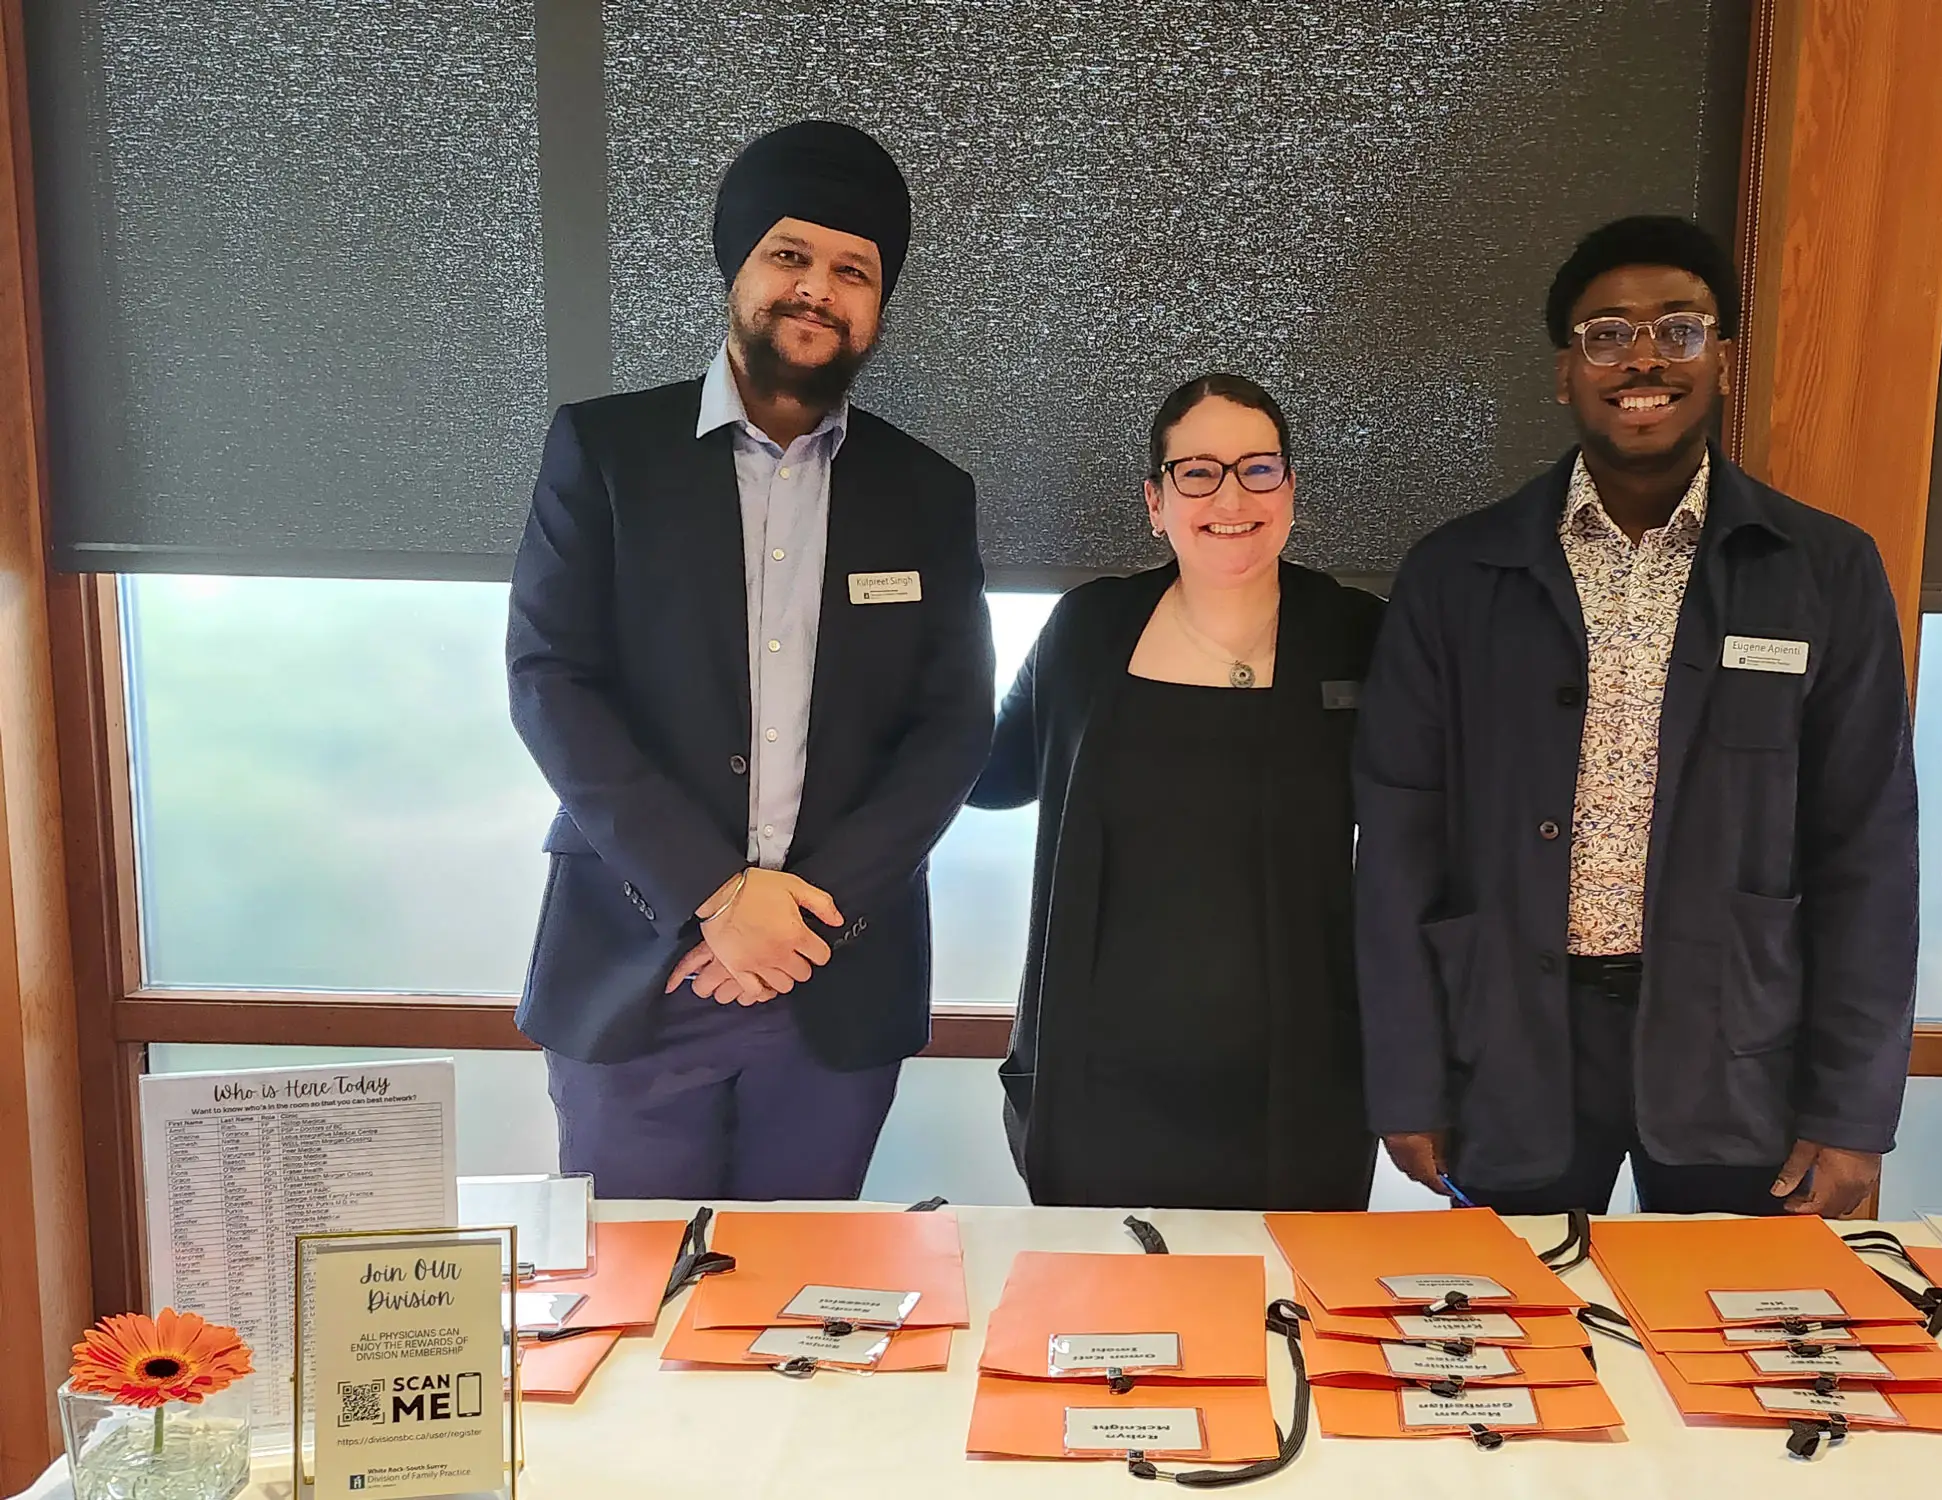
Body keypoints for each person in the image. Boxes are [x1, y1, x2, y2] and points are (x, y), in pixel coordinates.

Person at [1355, 216, 1916, 1218]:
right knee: (1518, 1349)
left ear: (1724, 361)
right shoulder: (1455, 575)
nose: (1644, 358)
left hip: (1737, 1048)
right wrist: (1407, 1078)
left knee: (1732, 1358)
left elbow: (1866, 848)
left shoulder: (1823, 571)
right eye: (1607, 334)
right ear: (1566, 371)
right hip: (1513, 1042)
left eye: (1680, 329)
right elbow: (1398, 842)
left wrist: (1853, 1107)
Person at [506, 121, 994, 1201]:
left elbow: (953, 727)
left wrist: (802, 916)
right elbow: (551, 682)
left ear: (877, 305)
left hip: (833, 977)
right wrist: (714, 898)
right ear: (739, 267)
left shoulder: (927, 495)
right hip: (636, 965)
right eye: (791, 255)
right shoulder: (605, 452)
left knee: (797, 1332)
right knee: (629, 1316)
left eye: (853, 270)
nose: (817, 288)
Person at [971, 374, 1383, 1210]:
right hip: (1100, 1076)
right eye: (1197, 472)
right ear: (1156, 502)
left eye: (1258, 469)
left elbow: (1423, 827)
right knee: (1110, 1316)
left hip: (1296, 1082)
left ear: (1291, 489)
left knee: (1286, 1317)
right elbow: (990, 774)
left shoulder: (1359, 633)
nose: (1231, 494)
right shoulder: (1088, 629)